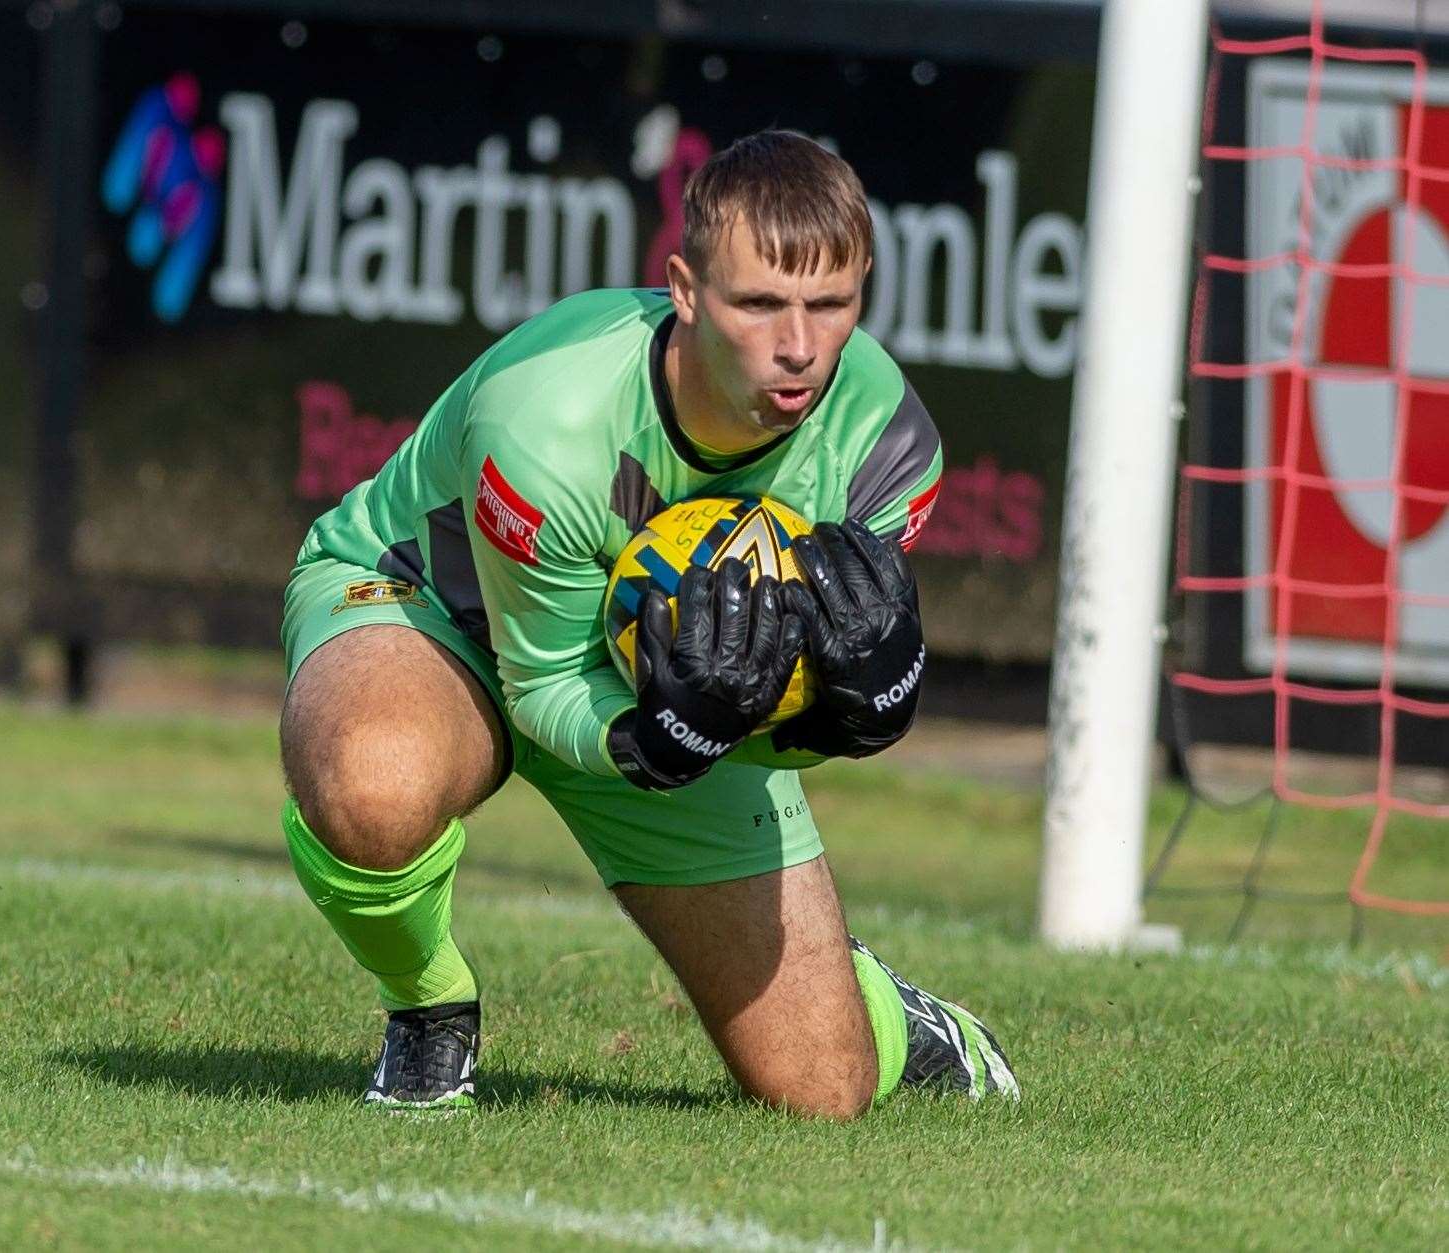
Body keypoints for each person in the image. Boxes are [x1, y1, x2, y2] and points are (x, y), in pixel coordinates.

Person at [278, 130, 1018, 1118]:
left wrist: (841, 718)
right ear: (684, 287)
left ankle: (891, 1009)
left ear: (863, 289)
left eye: (829, 304)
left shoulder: (888, 444)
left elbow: (771, 693)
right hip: (435, 614)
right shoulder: (544, 420)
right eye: (757, 303)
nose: (797, 344)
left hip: (656, 699)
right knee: (374, 779)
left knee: (822, 1092)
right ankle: (428, 1011)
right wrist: (648, 738)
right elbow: (537, 683)